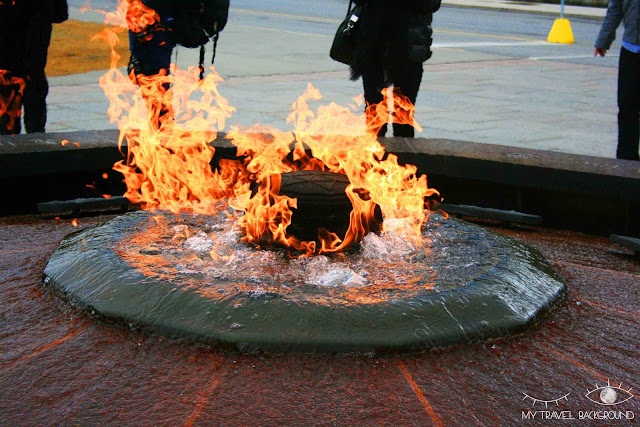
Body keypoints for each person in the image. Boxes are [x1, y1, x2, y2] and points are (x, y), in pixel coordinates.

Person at [350, 0, 441, 138]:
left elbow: (431, 4)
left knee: (404, 113)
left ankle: (404, 155)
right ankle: (373, 155)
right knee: (374, 113)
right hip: (374, 45)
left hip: (409, 46)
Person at [0, 0, 68, 135]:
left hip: (7, 57)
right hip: (33, 57)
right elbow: (60, 15)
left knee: (6, 114)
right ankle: (36, 146)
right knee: (34, 108)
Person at [595, 0, 640, 161]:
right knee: (627, 106)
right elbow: (615, 8)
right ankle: (626, 160)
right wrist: (603, 39)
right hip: (630, 51)